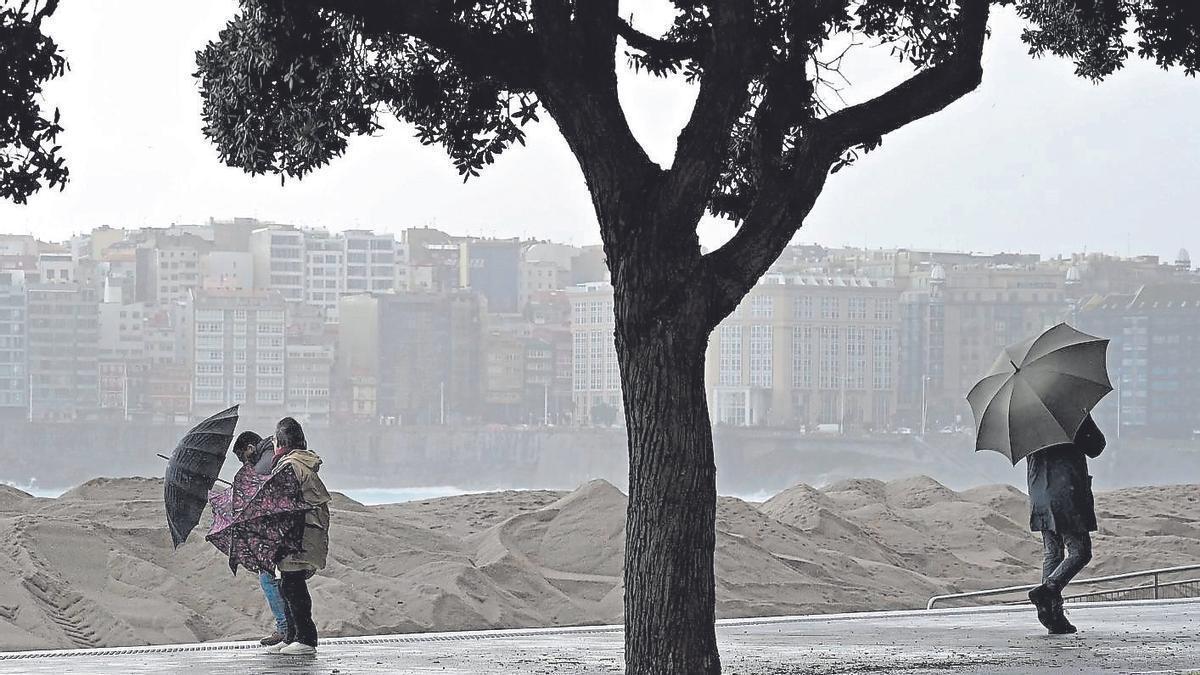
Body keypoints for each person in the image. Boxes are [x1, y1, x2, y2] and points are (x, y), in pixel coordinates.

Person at [1026, 414, 1105, 635]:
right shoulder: (1070, 411)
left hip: (1040, 493)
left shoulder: (1025, 418)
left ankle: (1053, 616)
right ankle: (1048, 590)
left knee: (1053, 553)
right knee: (1081, 552)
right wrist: (1083, 417)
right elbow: (1096, 446)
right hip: (1066, 493)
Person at [266, 417, 331, 656]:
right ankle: (292, 637)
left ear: (281, 442)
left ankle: (305, 639)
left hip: (297, 536)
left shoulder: (290, 466)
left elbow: (282, 503)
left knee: (293, 586)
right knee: (287, 584)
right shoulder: (298, 462)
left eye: (275, 440)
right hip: (301, 533)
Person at [231, 431, 290, 647]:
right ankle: (289, 629)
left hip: (277, 531)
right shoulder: (269, 453)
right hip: (282, 528)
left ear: (249, 447)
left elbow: (258, 493)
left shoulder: (264, 462)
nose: (243, 461)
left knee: (268, 578)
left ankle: (285, 628)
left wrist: (244, 489)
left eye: (242, 456)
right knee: (285, 581)